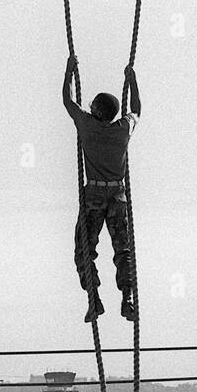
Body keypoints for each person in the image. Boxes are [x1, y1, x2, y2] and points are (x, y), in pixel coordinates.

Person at [64, 56, 141, 323]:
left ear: (96, 110)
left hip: (95, 196)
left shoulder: (86, 126)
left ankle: (94, 299)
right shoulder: (122, 130)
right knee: (123, 249)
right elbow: (137, 110)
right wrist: (132, 82)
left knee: (84, 249)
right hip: (117, 195)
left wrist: (69, 72)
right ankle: (127, 299)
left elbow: (67, 101)